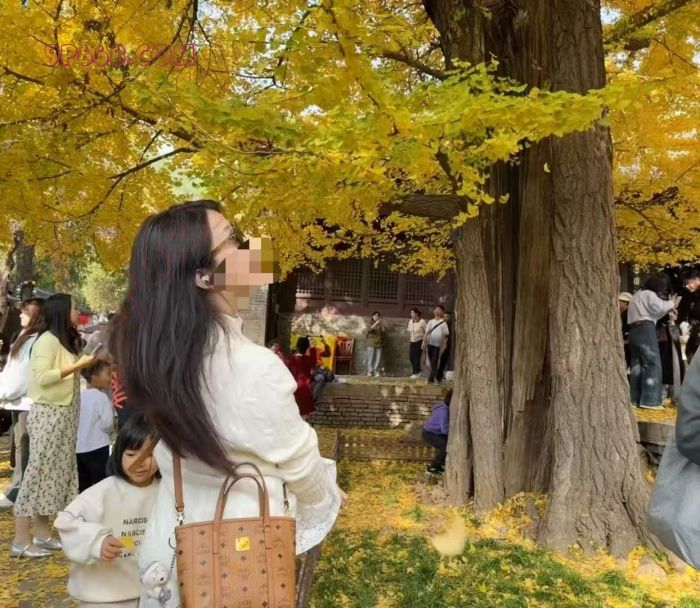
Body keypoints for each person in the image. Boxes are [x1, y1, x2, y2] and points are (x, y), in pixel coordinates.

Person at [109, 201, 343, 605]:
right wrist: (327, 495)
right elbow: (302, 468)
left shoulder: (159, 363)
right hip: (239, 560)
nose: (249, 249)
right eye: (233, 239)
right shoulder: (253, 366)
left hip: (172, 549)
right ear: (204, 276)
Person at [12, 294, 97, 558]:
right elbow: (43, 377)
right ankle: (20, 539)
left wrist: (88, 358)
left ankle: (42, 533)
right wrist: (78, 365)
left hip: (66, 416)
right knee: (37, 475)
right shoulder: (47, 340)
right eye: (74, 307)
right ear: (62, 311)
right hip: (49, 414)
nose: (78, 312)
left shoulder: (63, 340)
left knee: (55, 475)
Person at [55, 414, 160, 608]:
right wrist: (97, 542)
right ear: (118, 453)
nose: (140, 463)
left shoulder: (167, 492)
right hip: (103, 597)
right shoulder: (103, 492)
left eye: (149, 455)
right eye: (131, 455)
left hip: (154, 594)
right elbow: (66, 521)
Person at [0, 297, 44, 508]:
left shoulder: (35, 341)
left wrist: (5, 392)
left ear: (34, 316)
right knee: (20, 446)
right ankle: (17, 488)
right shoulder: (24, 336)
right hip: (16, 401)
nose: (20, 316)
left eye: (24, 313)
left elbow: (24, 375)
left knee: (25, 447)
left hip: (26, 401)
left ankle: (19, 491)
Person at [627, 273, 677, 410]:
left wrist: (667, 308)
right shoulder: (649, 294)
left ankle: (634, 399)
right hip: (645, 328)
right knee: (652, 363)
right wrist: (671, 303)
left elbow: (655, 313)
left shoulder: (637, 294)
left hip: (634, 330)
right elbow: (658, 308)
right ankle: (650, 401)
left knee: (636, 365)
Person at [77, 360, 114, 493]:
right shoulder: (102, 397)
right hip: (98, 447)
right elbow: (107, 423)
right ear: (95, 377)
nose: (111, 378)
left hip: (79, 449)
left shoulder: (79, 396)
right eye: (108, 374)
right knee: (101, 485)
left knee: (83, 486)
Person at [287, 335, 332, 417]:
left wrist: (324, 342)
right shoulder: (302, 354)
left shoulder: (317, 350)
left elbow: (328, 354)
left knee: (321, 378)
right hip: (309, 373)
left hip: (317, 370)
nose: (312, 341)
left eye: (313, 340)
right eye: (310, 340)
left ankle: (313, 399)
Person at [422, 389, 452, 474]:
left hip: (432, 432)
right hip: (429, 433)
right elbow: (444, 429)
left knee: (446, 444)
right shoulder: (444, 411)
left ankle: (440, 464)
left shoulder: (441, 406)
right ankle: (433, 467)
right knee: (445, 446)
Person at [424, 305, 450, 385]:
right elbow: (426, 333)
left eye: (439, 309)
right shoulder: (431, 322)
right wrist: (424, 342)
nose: (437, 311)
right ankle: (435, 377)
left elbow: (446, 336)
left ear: (442, 312)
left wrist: (445, 344)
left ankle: (431, 379)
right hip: (430, 344)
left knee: (435, 361)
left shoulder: (443, 323)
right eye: (436, 309)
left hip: (438, 346)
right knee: (430, 362)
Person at [680, 268, 700, 364]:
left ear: (696, 279)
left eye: (688, 283)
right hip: (693, 332)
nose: (687, 286)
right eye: (685, 284)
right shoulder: (690, 294)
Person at [407, 308, 426, 379]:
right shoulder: (410, 321)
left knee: (416, 357)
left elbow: (426, 332)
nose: (411, 314)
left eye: (412, 313)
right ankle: (417, 371)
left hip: (419, 341)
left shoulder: (422, 321)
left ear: (417, 313)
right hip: (412, 341)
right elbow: (409, 330)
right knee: (411, 357)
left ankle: (416, 373)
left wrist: (424, 342)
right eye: (411, 313)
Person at [366, 311, 385, 377]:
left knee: (378, 358)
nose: (376, 317)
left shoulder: (380, 324)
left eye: (377, 316)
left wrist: (382, 327)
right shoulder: (370, 323)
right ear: (372, 316)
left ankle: (376, 371)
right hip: (371, 343)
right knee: (370, 358)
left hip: (379, 343)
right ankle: (370, 371)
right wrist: (376, 324)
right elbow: (369, 330)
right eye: (375, 315)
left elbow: (383, 332)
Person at [437, 310, 454, 380]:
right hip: (441, 345)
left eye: (447, 317)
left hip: (450, 346)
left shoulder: (452, 326)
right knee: (441, 361)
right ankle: (439, 375)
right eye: (444, 317)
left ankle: (442, 375)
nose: (445, 318)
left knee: (445, 361)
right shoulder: (441, 325)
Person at [618, 292, 633, 370]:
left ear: (626, 303)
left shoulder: (628, 314)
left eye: (620, 301)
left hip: (627, 343)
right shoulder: (622, 314)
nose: (618, 303)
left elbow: (627, 329)